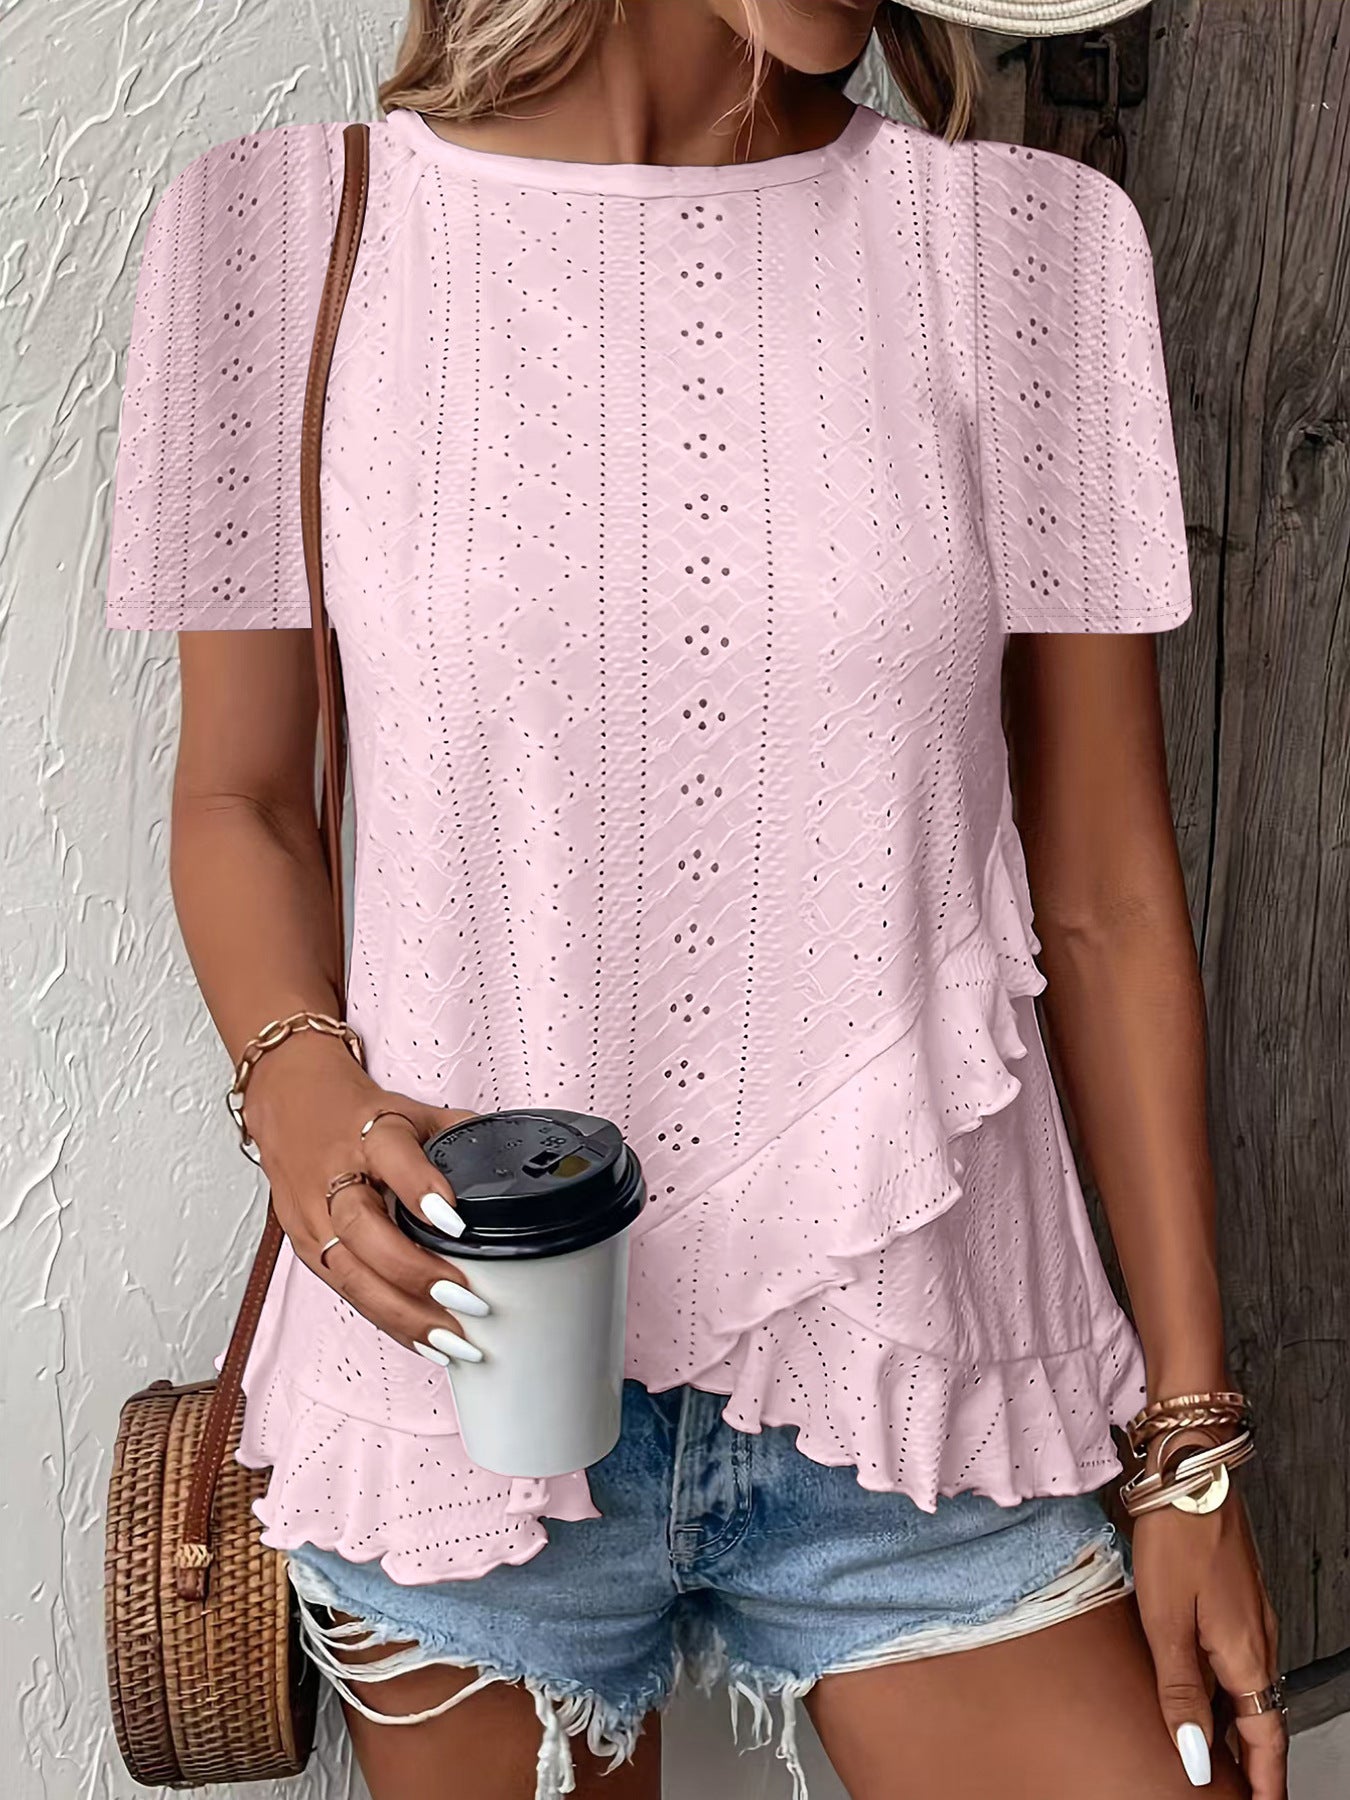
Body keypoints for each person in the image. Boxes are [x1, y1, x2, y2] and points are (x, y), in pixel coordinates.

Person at [103, 3, 1290, 1797]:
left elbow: (1110, 894)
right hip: (464, 1379)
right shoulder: (273, 237)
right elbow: (240, 798)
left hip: (927, 1381)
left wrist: (1189, 1446)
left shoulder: (1030, 254)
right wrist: (299, 1089)